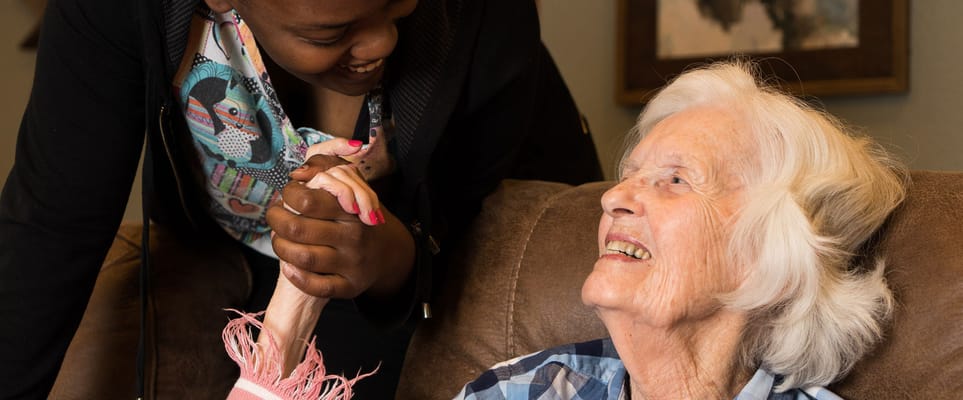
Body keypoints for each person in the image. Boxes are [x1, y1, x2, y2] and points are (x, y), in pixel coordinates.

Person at [0, 0, 603, 398]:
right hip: (232, 259)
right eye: (332, 32)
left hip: (440, 271)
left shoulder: (485, 23)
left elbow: (464, 253)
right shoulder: (112, 13)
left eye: (398, 4)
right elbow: (51, 227)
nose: (382, 43)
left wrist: (385, 254)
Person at [454, 60, 908, 399]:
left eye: (675, 180)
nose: (613, 199)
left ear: (769, 250)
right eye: (629, 177)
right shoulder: (522, 391)